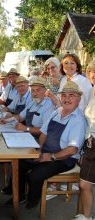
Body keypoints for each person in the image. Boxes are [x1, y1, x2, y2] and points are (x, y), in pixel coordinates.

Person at [7, 81, 87, 208]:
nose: (67, 99)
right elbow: (43, 133)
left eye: (71, 95)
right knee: (20, 163)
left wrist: (51, 156)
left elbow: (72, 149)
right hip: (47, 151)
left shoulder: (79, 120)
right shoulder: (57, 111)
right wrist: (39, 149)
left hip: (64, 159)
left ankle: (32, 201)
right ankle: (19, 195)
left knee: (34, 175)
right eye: (64, 95)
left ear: (79, 98)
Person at [74, 60, 95, 220]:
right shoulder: (93, 92)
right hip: (90, 144)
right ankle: (87, 217)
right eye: (92, 73)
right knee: (84, 184)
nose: (93, 76)